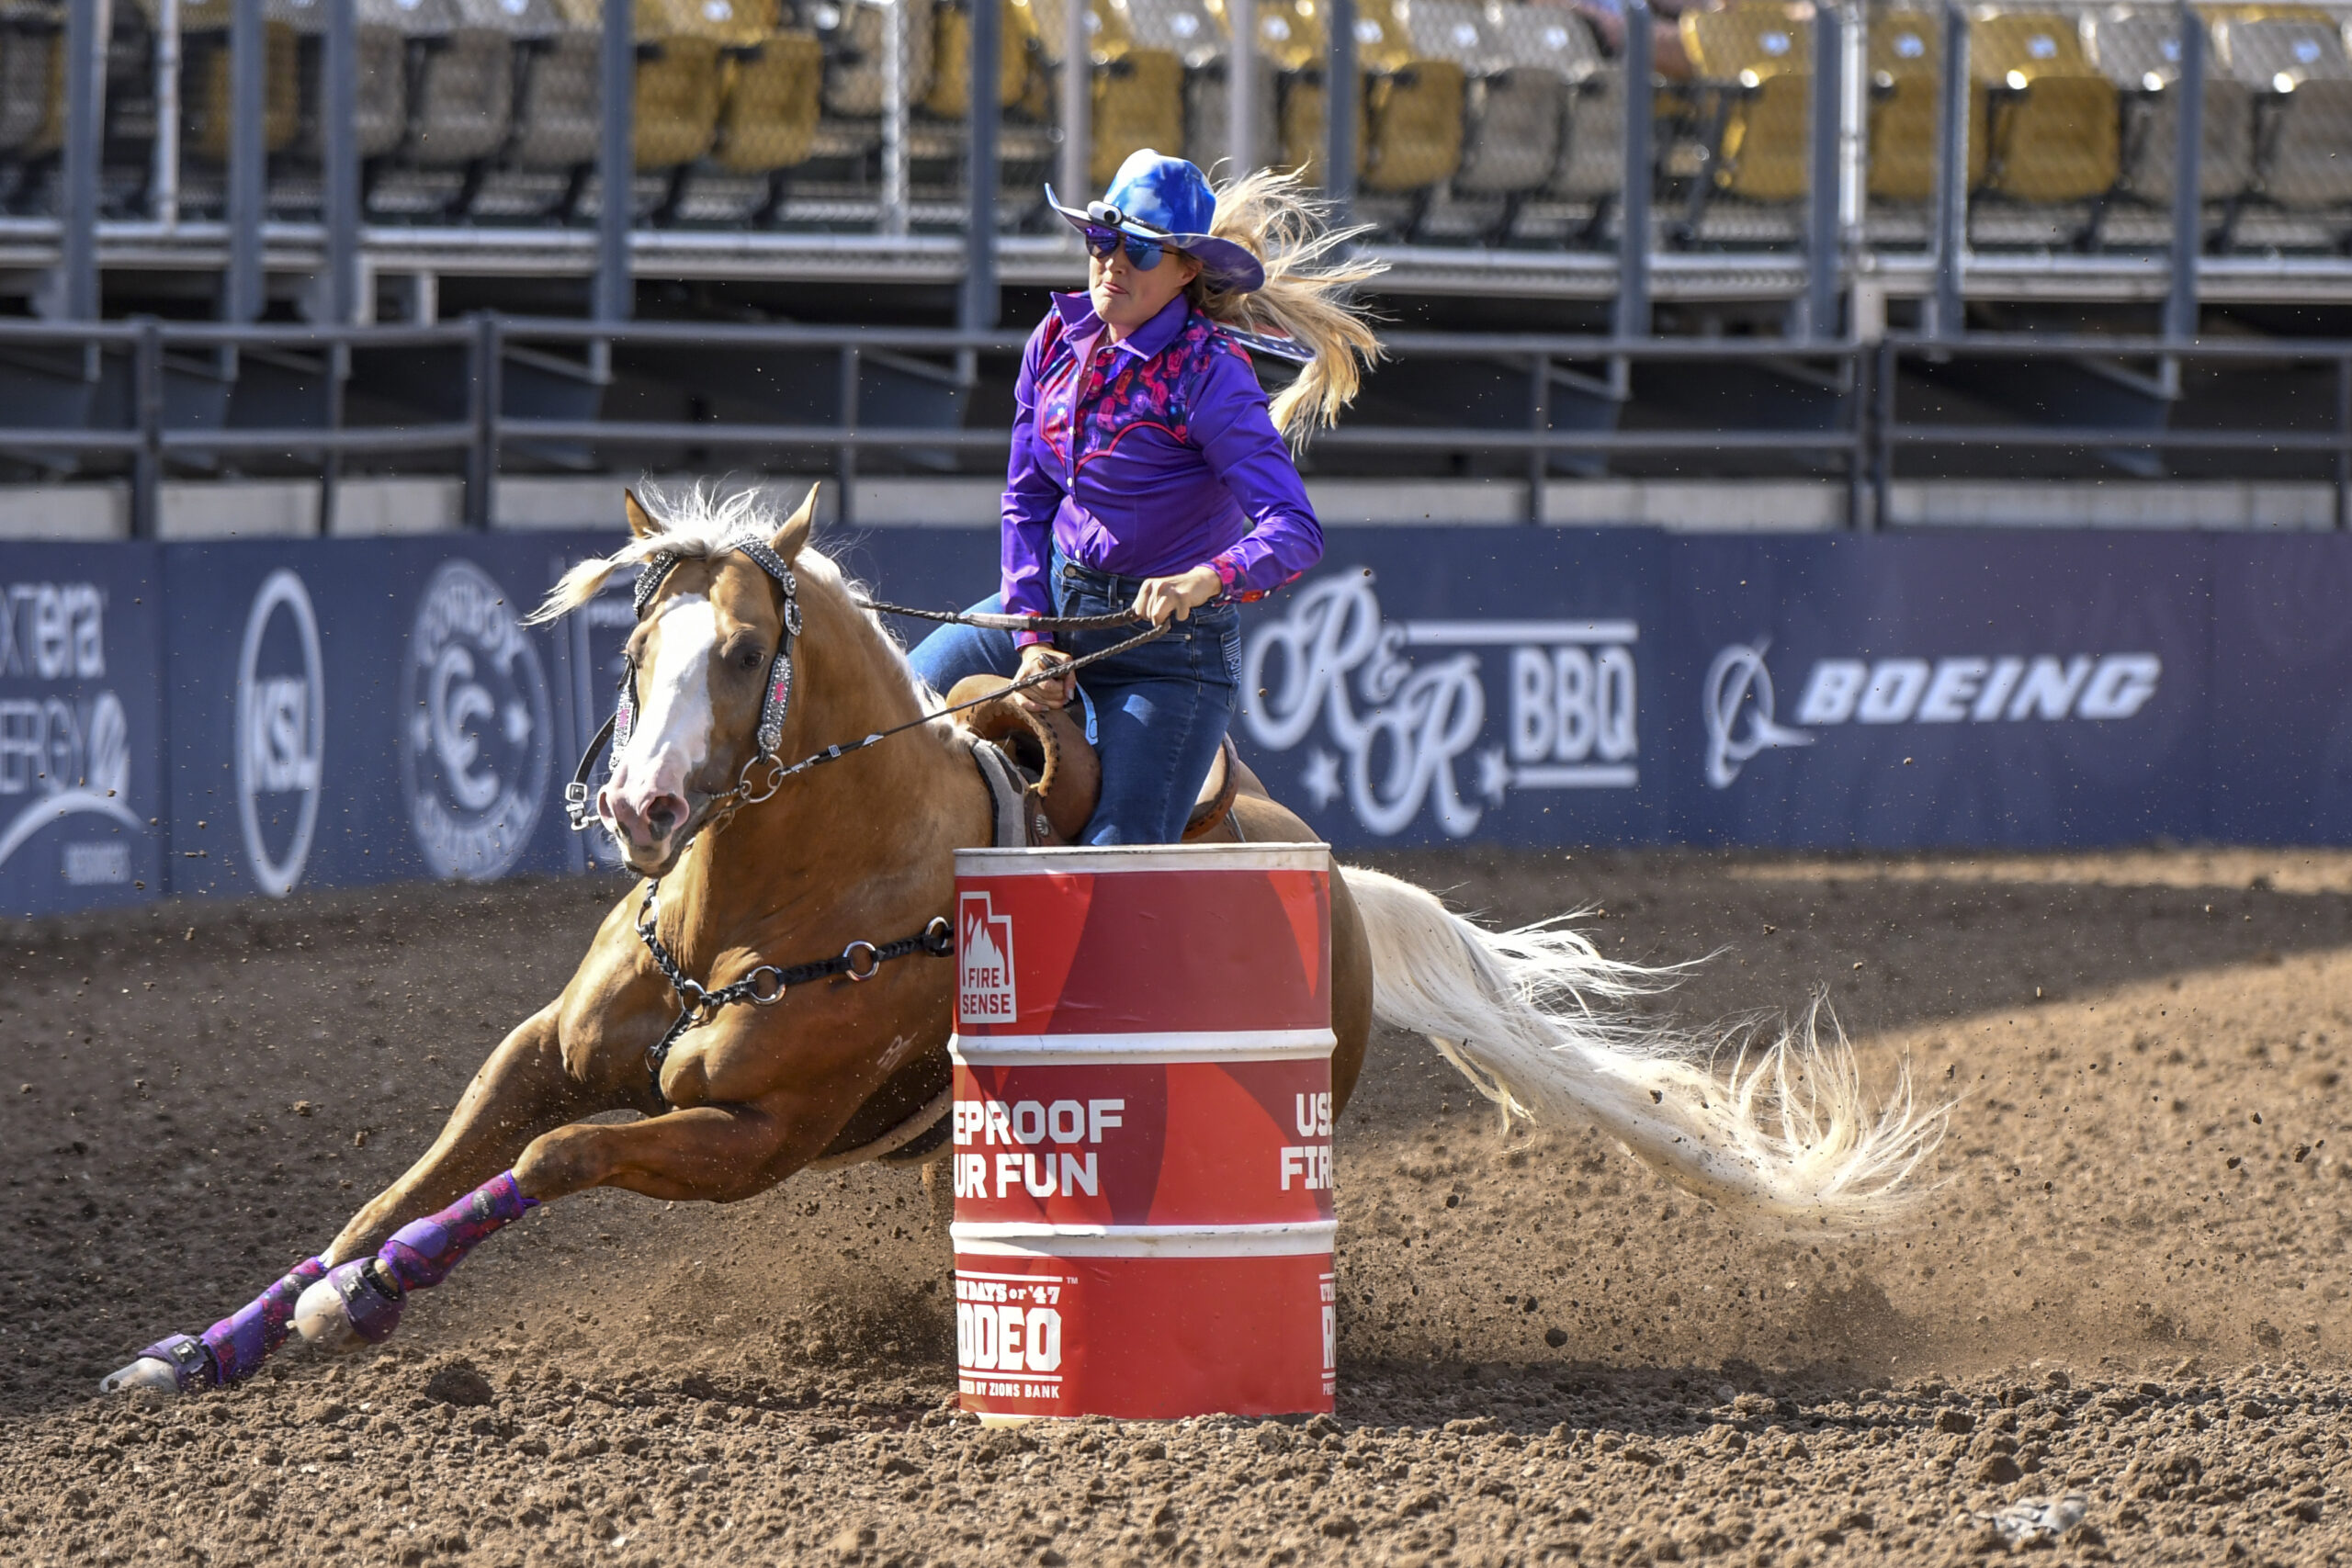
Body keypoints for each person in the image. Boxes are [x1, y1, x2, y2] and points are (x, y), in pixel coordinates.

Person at [907, 149, 1384, 844]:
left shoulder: (1211, 375)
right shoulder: (1054, 341)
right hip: (1059, 607)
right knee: (894, 713)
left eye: (1137, 248)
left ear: (1187, 269)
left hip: (1170, 655)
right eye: (1102, 238)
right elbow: (1026, 500)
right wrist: (1035, 638)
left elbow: (1294, 529)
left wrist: (1206, 577)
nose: (1111, 261)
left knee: (1114, 855)